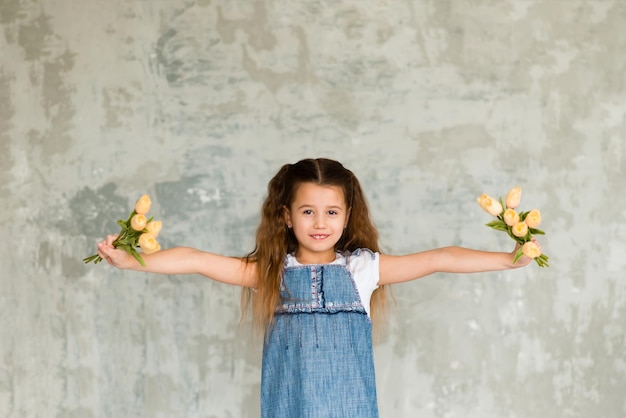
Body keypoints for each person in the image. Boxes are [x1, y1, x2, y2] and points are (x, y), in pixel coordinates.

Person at [96, 158, 538, 418]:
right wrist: (129, 260)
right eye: (308, 211)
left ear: (347, 216)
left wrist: (508, 259)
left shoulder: (363, 270)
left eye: (331, 212)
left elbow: (441, 257)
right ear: (287, 215)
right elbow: (194, 259)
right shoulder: (269, 271)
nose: (320, 223)